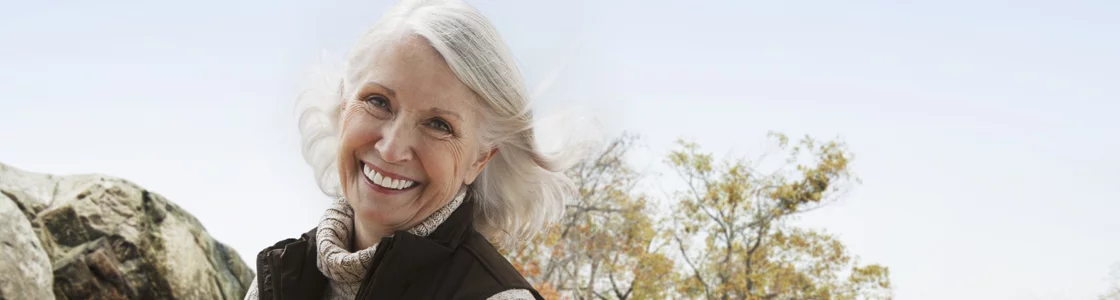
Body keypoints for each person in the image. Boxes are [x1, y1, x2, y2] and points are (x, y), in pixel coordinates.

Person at [244, 0, 582, 299]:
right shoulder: (278, 278)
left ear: (479, 159)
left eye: (438, 125)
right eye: (378, 101)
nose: (391, 149)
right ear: (344, 101)